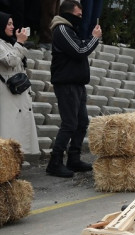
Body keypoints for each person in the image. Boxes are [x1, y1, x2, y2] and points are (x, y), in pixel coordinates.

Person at [46, 0, 101, 178]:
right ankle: (54, 162)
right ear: (68, 13)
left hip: (76, 83)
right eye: (78, 15)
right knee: (69, 124)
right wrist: (94, 38)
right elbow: (79, 50)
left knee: (82, 122)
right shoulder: (62, 29)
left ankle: (73, 158)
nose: (81, 18)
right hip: (66, 83)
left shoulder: (69, 29)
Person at [0, 12, 39, 155]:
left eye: (12, 23)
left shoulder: (9, 42)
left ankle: (15, 162)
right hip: (6, 92)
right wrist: (20, 43)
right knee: (9, 127)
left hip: (18, 92)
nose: (12, 27)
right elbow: (10, 61)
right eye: (8, 24)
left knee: (19, 128)